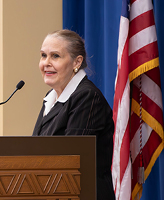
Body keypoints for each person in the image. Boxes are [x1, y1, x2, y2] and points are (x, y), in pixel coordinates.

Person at [32, 29, 115, 200]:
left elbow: (72, 161)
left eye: (55, 56)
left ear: (77, 62)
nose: (46, 63)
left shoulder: (87, 97)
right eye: (43, 55)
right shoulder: (51, 97)